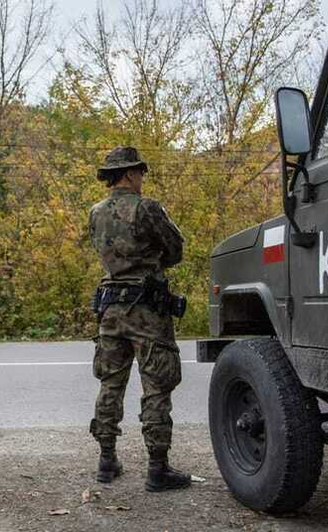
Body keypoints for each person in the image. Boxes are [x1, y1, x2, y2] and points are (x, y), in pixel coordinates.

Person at [87, 146, 191, 492]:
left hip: (110, 310)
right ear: (130, 174)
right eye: (140, 173)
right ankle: (157, 469)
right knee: (157, 387)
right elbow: (176, 249)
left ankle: (106, 461)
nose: (142, 179)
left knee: (110, 384)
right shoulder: (147, 209)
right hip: (147, 311)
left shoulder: (95, 213)